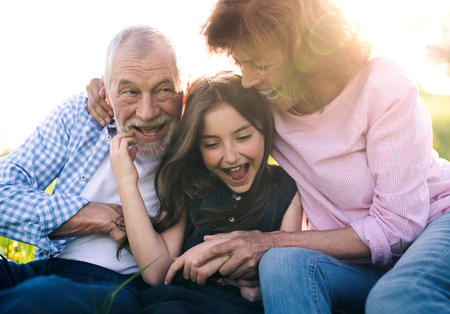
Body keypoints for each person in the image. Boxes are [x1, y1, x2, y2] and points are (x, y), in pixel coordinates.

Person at [189, 0, 450, 313]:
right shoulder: (264, 103)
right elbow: (199, 120)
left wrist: (269, 241)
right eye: (240, 61)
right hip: (362, 262)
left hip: (434, 228)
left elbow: (398, 231)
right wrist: (115, 104)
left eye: (260, 64)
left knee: (396, 298)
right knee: (281, 265)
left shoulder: (383, 85)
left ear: (307, 54)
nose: (247, 80)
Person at [0, 25, 184, 314]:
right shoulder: (80, 116)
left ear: (182, 90)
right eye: (129, 92)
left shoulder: (189, 148)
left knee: (40, 296)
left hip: (118, 285)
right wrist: (95, 216)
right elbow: (2, 192)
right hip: (45, 268)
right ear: (106, 94)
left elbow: (158, 271)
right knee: (37, 290)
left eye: (163, 89)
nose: (147, 112)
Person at [136, 71, 302, 314]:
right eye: (212, 144)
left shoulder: (286, 190)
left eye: (243, 137)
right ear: (197, 145)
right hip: (181, 304)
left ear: (265, 129)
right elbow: (156, 271)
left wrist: (262, 284)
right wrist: (126, 181)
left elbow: (286, 265)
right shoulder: (189, 183)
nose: (231, 156)